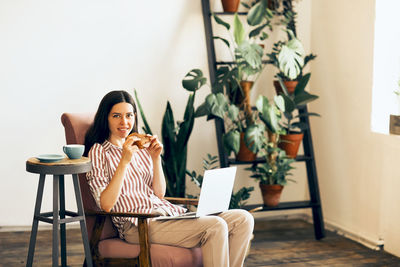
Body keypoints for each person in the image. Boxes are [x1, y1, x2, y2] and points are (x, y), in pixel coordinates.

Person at [84, 90, 254, 267]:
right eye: (116, 116)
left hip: (165, 215)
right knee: (215, 226)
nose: (124, 122)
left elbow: (159, 194)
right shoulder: (99, 151)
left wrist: (156, 158)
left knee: (243, 219)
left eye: (129, 115)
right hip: (137, 224)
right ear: (106, 118)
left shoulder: (140, 147)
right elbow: (106, 204)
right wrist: (124, 162)